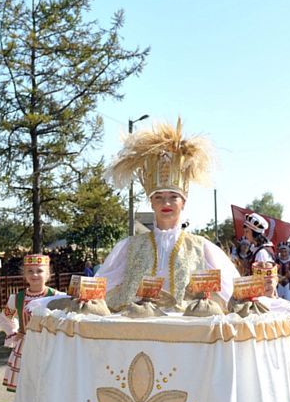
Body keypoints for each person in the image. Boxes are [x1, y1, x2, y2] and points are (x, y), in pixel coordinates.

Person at [99, 120, 238, 309]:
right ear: (151, 202)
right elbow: (100, 286)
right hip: (139, 331)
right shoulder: (129, 247)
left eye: (173, 197)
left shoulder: (201, 248)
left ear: (183, 202)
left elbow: (234, 292)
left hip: (185, 332)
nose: (166, 203)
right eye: (159, 197)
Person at [0, 254, 59, 393]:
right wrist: (14, 332)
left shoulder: (56, 296)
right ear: (24, 274)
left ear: (48, 274)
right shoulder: (18, 298)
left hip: (49, 344)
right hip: (26, 345)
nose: (35, 274)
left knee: (48, 384)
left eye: (39, 271)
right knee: (27, 384)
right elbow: (5, 318)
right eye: (30, 271)